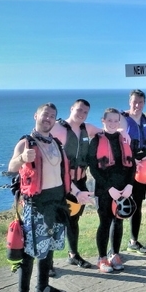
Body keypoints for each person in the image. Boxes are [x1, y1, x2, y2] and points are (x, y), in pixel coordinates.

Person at [8, 102, 71, 292]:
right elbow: (11, 168)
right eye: (45, 115)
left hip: (57, 202)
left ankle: (43, 285)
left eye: (53, 116)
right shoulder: (26, 142)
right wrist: (22, 158)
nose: (48, 119)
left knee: (50, 247)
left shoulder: (56, 143)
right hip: (36, 204)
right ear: (36, 115)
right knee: (30, 251)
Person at [48, 99, 101, 275]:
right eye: (79, 110)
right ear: (71, 109)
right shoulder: (57, 128)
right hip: (60, 184)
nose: (81, 114)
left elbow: (108, 132)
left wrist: (122, 127)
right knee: (54, 222)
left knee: (73, 220)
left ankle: (74, 254)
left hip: (80, 183)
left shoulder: (88, 129)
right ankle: (47, 263)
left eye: (85, 112)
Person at [87, 108, 136, 273]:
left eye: (116, 121)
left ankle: (114, 254)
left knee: (119, 221)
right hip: (104, 190)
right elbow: (93, 168)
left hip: (124, 189)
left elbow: (132, 165)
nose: (113, 124)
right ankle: (101, 258)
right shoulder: (96, 141)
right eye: (110, 121)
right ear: (103, 121)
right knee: (105, 222)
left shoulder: (125, 139)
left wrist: (129, 185)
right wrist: (109, 188)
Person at [119, 89, 146, 255]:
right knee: (120, 205)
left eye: (140, 102)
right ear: (129, 102)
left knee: (137, 205)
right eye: (134, 102)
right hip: (125, 169)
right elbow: (116, 144)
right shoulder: (122, 119)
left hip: (142, 169)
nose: (137, 105)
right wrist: (131, 161)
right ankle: (113, 249)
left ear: (144, 103)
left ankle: (133, 241)